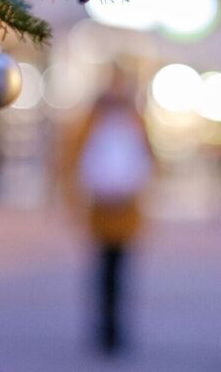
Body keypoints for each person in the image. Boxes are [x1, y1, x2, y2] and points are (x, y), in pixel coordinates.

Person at [60, 67, 154, 355]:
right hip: (101, 209)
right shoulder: (93, 121)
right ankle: (104, 330)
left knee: (120, 274)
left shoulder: (134, 121)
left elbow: (147, 158)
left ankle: (116, 330)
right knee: (102, 273)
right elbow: (74, 159)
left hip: (126, 210)